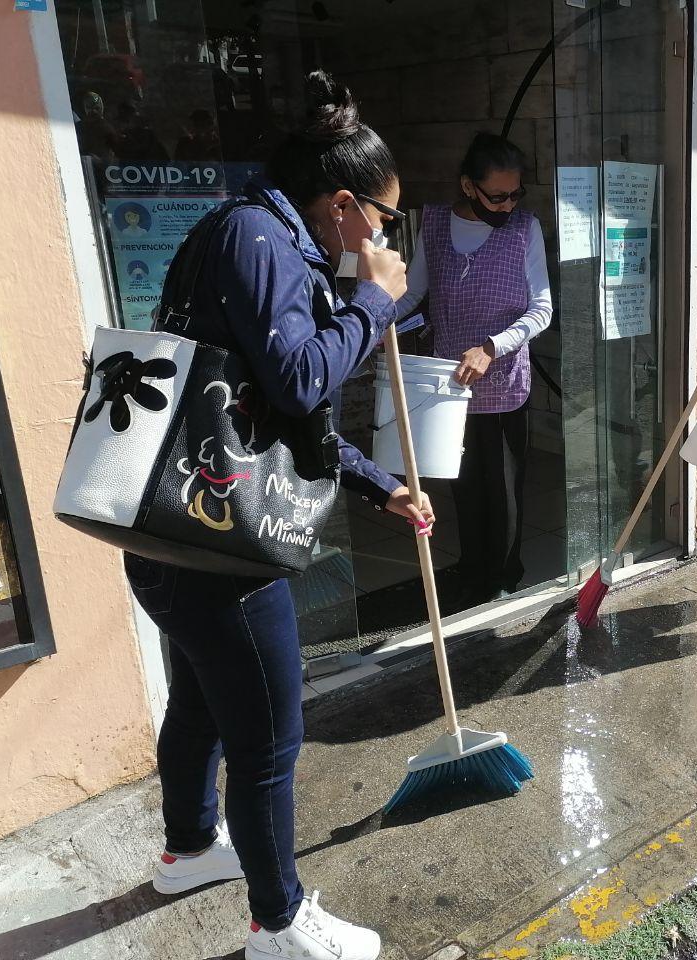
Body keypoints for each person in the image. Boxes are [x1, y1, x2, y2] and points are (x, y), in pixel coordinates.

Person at [126, 71, 431, 960]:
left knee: (200, 705)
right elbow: (302, 381)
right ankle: (281, 926)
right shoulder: (261, 241)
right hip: (222, 547)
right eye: (383, 219)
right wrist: (378, 299)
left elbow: (275, 411)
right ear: (342, 205)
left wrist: (380, 486)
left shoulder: (243, 233)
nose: (383, 237)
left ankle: (187, 851)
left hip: (175, 530)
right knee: (266, 741)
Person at [396, 133, 552, 605]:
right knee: (463, 482)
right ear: (468, 186)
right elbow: (412, 293)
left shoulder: (525, 229)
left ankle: (504, 576)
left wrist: (492, 347)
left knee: (502, 487)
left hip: (503, 383)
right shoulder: (438, 225)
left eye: (514, 194)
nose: (507, 206)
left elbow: (541, 308)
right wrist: (370, 318)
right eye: (496, 195)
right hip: (449, 385)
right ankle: (472, 567)